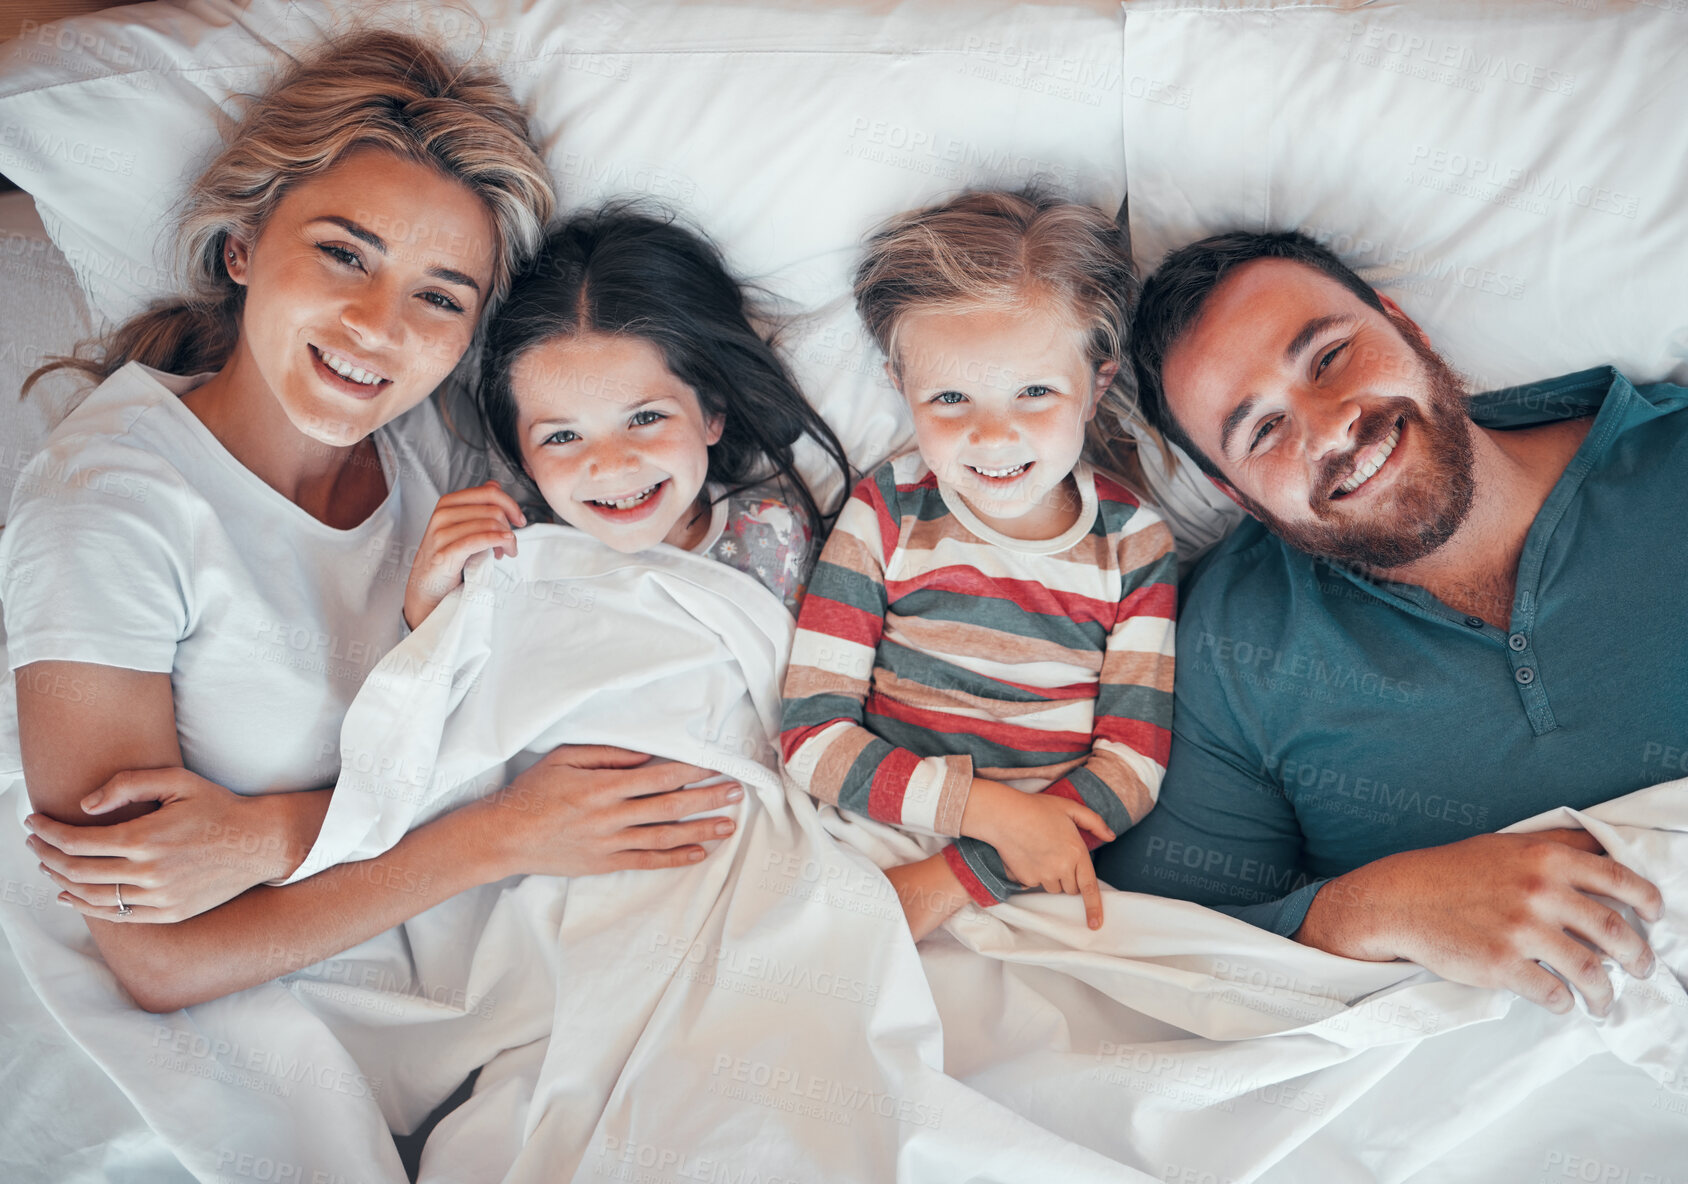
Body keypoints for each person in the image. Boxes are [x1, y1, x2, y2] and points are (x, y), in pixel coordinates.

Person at [7, 31, 742, 1016]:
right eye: (344, 254)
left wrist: (270, 833)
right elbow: (161, 961)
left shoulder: (436, 449)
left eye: (438, 297)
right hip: (184, 1016)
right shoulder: (106, 508)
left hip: (415, 958)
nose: (379, 327)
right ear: (242, 245)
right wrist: (501, 831)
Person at [1094, 229, 1673, 1017]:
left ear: (1406, 325)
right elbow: (1162, 963)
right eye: (1261, 431)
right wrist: (1381, 907)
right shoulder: (1232, 647)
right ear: (1239, 497)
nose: (1330, 429)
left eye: (1329, 357)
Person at [781, 190, 1177, 940]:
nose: (993, 437)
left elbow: (1132, 767)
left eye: (1034, 392)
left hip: (1038, 873)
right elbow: (812, 733)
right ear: (902, 390)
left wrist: (963, 874)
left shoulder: (1135, 543)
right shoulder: (888, 509)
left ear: (1096, 384)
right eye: (951, 397)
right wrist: (987, 812)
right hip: (868, 836)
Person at [403, 205, 852, 629]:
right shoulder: (507, 551)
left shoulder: (777, 535)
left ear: (712, 414)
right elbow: (443, 690)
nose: (613, 465)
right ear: (523, 460)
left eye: (645, 418)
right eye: (561, 437)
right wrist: (428, 600)